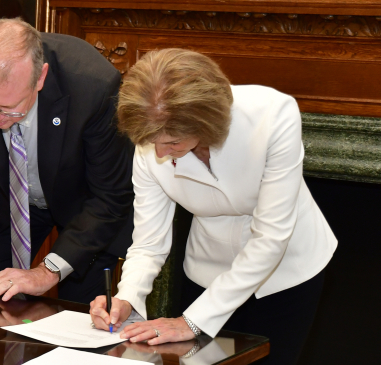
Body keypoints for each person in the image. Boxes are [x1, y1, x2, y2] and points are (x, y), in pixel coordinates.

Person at [90, 48, 337, 364]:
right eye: (154, 143)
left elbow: (271, 237)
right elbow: (149, 243)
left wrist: (192, 322)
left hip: (288, 272)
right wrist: (127, 297)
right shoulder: (152, 139)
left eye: (173, 143)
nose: (161, 153)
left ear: (205, 122)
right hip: (207, 273)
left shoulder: (273, 116)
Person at [0, 18, 134, 305]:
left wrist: (46, 273)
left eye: (9, 108)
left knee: (80, 315)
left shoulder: (93, 86)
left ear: (40, 78)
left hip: (83, 207)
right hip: (4, 202)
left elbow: (110, 197)